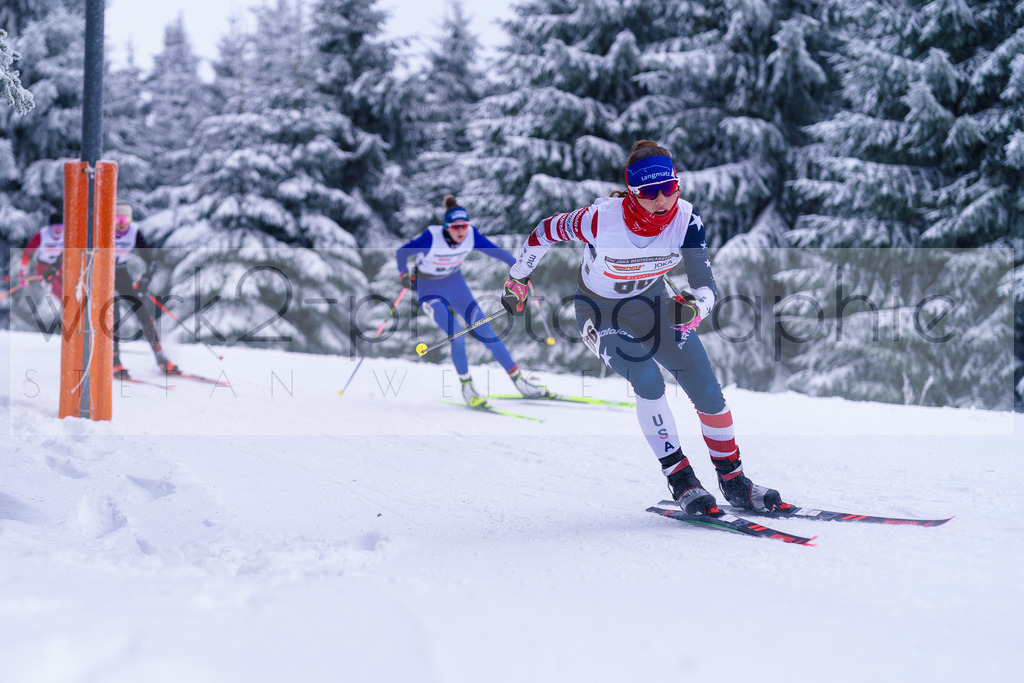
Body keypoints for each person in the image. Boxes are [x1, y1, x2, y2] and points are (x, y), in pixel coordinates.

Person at [500, 140, 787, 515]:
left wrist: (695, 308)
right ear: (633, 193)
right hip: (601, 313)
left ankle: (733, 480)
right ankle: (681, 478)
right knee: (647, 376)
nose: (661, 200)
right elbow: (544, 231)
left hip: (655, 307)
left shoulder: (686, 219)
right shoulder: (600, 219)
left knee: (707, 389)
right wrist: (517, 278)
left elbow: (705, 286)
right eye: (650, 192)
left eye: (668, 188)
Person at [397, 195, 547, 405]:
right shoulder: (431, 237)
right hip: (429, 290)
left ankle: (519, 381)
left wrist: (521, 270)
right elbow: (402, 252)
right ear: (447, 227)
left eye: (464, 226)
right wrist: (403, 274)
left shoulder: (471, 236)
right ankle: (467, 388)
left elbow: (498, 252)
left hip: (455, 285)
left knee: (485, 331)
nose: (461, 231)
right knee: (456, 335)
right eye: (456, 227)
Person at [110, 202, 181, 379]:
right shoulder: (104, 230)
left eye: (125, 218)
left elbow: (151, 261)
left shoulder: (134, 231)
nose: (122, 223)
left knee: (142, 311)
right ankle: (114, 360)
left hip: (120, 272)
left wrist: (144, 281)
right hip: (101, 275)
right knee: (114, 313)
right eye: (118, 218)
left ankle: (161, 358)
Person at [18, 211, 64, 298]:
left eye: (60, 227)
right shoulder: (42, 235)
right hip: (44, 267)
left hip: (59, 265)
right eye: (55, 227)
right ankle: (70, 310)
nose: (58, 230)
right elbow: (26, 253)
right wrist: (23, 273)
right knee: (62, 294)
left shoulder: (67, 234)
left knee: (71, 289)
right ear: (50, 227)